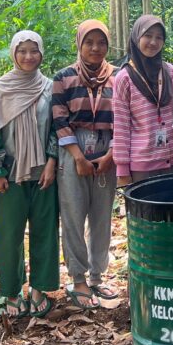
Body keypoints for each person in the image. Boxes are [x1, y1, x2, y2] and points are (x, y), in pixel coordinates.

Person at [0, 31, 59, 319]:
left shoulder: (50, 87)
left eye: (34, 51)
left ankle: (39, 288)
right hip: (10, 174)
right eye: (22, 51)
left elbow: (56, 128)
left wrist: (52, 162)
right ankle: (12, 292)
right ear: (13, 53)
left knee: (45, 231)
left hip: (44, 174)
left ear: (41, 53)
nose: (28, 56)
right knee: (9, 235)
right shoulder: (0, 88)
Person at [52, 19, 117, 309]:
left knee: (102, 216)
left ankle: (96, 278)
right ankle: (78, 278)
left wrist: (111, 154)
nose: (95, 48)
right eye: (89, 42)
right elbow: (59, 118)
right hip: (72, 148)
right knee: (74, 216)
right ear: (79, 43)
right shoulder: (63, 77)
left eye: (101, 42)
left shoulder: (119, 76)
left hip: (109, 146)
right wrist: (78, 157)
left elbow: (125, 117)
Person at [113, 15, 173, 188]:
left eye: (159, 37)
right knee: (145, 214)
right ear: (137, 37)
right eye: (148, 35)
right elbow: (121, 126)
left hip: (172, 160)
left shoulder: (170, 72)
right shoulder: (124, 78)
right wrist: (122, 171)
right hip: (141, 167)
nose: (153, 42)